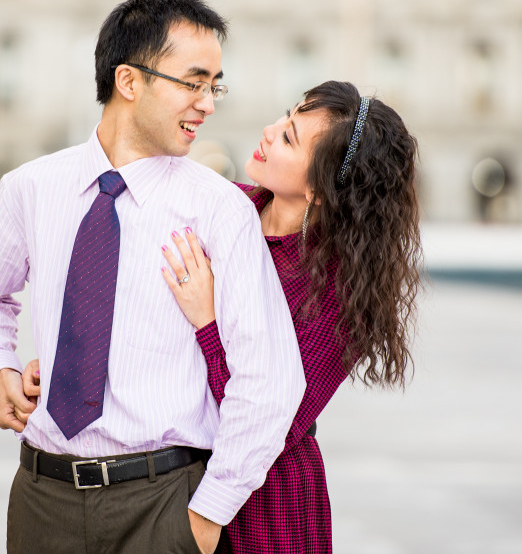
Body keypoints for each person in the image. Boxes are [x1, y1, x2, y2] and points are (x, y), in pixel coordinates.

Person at [0, 0, 305, 554]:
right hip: (42, 500)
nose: (208, 103)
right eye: (193, 82)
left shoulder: (221, 210)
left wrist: (206, 518)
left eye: (215, 85)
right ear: (129, 81)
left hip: (163, 503)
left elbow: (271, 379)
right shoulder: (30, 189)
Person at [159, 80, 422, 553]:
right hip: (170, 479)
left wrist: (207, 321)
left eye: (288, 138)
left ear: (321, 188)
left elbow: (273, 412)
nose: (269, 130)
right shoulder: (226, 207)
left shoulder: (339, 288)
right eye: (285, 117)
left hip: (265, 503)